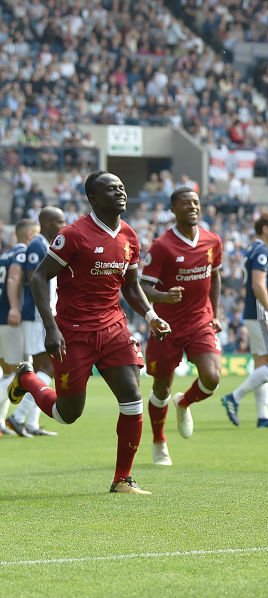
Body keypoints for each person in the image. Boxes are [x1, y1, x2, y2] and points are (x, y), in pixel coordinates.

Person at [8, 171, 171, 494]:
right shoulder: (73, 235)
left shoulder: (129, 236)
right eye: (112, 189)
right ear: (93, 198)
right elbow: (40, 278)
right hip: (74, 333)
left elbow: (131, 286)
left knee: (132, 397)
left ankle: (122, 479)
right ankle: (27, 379)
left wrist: (151, 315)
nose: (120, 193)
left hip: (113, 328)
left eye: (122, 188)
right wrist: (51, 329)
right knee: (68, 414)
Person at [140, 187, 224, 465]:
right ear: (173, 209)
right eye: (185, 203)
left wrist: (216, 313)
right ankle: (159, 441)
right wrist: (164, 297)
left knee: (212, 377)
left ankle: (184, 402)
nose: (192, 207)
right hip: (167, 326)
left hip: (200, 321)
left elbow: (215, 277)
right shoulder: (162, 246)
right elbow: (142, 287)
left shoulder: (212, 241)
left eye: (196, 203)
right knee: (161, 387)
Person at [221, 211, 268, 428]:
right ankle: (235, 397)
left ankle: (263, 416)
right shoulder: (261, 251)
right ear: (266, 229)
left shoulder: (251, 249)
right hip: (261, 313)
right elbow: (258, 285)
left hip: (252, 312)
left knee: (261, 363)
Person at [5, 207, 65, 437]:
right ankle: (18, 417)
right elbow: (34, 280)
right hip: (40, 315)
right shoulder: (38, 246)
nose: (64, 225)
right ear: (47, 223)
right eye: (59, 221)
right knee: (48, 367)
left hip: (43, 314)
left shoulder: (46, 245)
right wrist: (48, 314)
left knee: (44, 367)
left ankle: (29, 422)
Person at [0, 219, 38, 436]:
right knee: (15, 376)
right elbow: (15, 278)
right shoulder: (22, 253)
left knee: (6, 372)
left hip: (2, 319)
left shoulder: (4, 254)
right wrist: (15, 307)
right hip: (11, 320)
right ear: (30, 235)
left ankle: (1, 424)